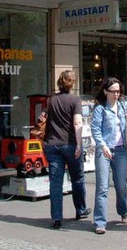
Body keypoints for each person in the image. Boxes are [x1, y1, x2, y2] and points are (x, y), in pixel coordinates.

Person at [43, 70, 90, 230]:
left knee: (55, 182)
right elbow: (77, 123)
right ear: (73, 83)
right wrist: (78, 144)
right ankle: (80, 210)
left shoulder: (51, 100)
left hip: (52, 144)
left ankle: (57, 218)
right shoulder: (75, 100)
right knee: (77, 178)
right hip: (70, 144)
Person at [90, 77, 127, 235]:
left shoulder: (124, 105)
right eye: (113, 91)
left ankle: (123, 210)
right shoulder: (100, 108)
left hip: (120, 150)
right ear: (106, 92)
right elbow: (95, 129)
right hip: (104, 149)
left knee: (121, 186)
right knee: (102, 186)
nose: (117, 94)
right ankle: (100, 222)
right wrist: (102, 145)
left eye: (118, 91)